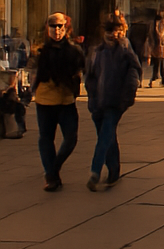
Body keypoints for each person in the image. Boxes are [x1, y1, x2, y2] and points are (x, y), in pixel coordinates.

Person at [84, 13, 142, 191]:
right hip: (98, 102)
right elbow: (90, 77)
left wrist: (126, 97)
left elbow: (134, 73)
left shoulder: (125, 50)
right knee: (108, 137)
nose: (112, 34)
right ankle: (114, 171)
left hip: (116, 102)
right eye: (109, 30)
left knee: (104, 136)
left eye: (116, 30)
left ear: (122, 31)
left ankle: (95, 171)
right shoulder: (97, 52)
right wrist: (92, 97)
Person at [32, 12, 86, 191]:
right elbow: (32, 71)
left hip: (65, 100)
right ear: (47, 28)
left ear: (66, 28)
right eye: (53, 26)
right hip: (45, 100)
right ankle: (51, 175)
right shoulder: (40, 50)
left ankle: (53, 169)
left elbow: (82, 70)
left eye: (60, 26)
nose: (57, 30)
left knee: (71, 137)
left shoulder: (73, 50)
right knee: (46, 138)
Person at [146, 11, 164, 88]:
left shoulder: (152, 23)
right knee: (162, 62)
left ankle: (155, 78)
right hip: (163, 43)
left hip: (155, 44)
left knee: (156, 64)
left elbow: (149, 34)